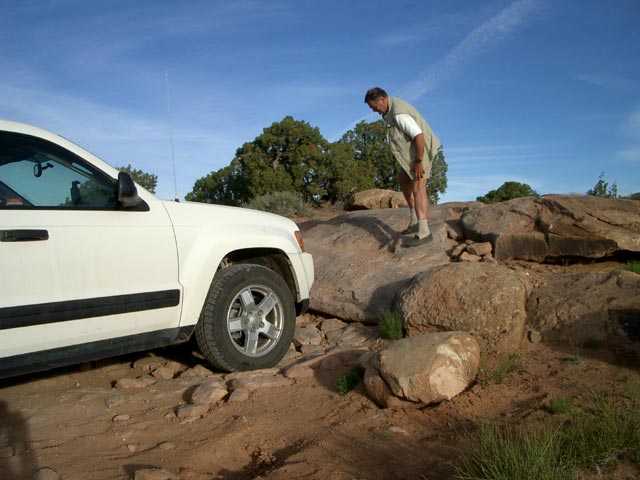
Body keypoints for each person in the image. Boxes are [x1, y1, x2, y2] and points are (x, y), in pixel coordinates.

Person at [364, 87, 441, 246]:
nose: (374, 111)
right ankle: (414, 221)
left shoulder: (399, 114)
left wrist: (419, 162)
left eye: (374, 107)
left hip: (422, 150)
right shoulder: (389, 112)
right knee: (403, 179)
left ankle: (424, 232)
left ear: (383, 100)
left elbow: (419, 136)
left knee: (418, 187)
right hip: (413, 154)